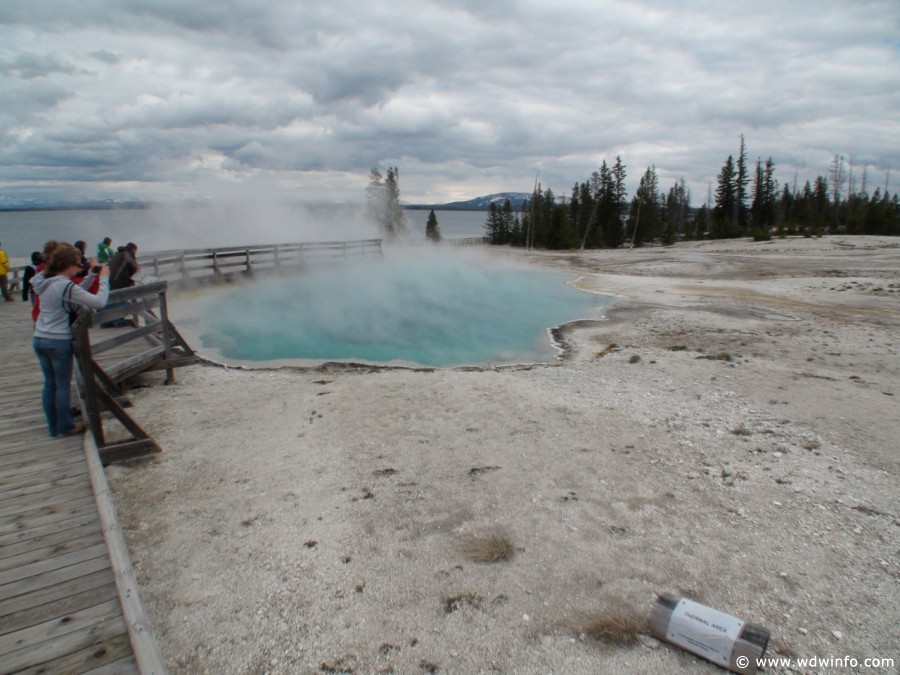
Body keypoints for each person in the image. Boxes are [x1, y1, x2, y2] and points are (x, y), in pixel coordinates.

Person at [31, 244, 109, 437]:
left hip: (40, 337)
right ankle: (65, 427)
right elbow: (99, 301)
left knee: (50, 384)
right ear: (67, 265)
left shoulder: (46, 282)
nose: (79, 268)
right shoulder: (63, 285)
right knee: (63, 385)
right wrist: (104, 279)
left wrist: (90, 275)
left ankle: (54, 427)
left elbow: (72, 292)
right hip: (58, 340)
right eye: (77, 265)